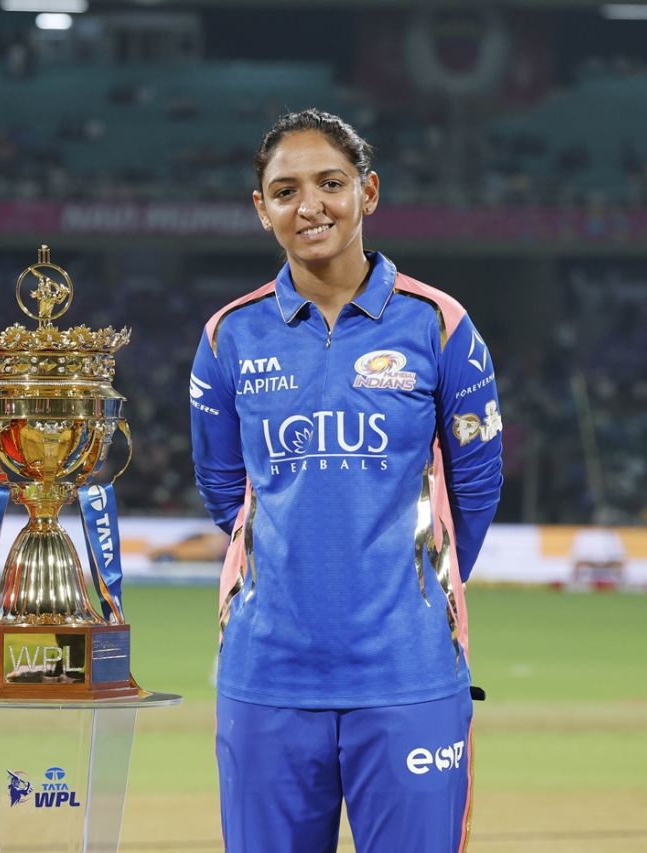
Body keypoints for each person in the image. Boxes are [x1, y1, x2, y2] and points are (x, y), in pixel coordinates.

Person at [189, 108, 502, 852]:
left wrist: (414, 606)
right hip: (267, 675)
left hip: (409, 676)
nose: (311, 205)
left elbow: (477, 493)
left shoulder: (440, 324)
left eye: (331, 183)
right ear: (261, 209)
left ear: (368, 192)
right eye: (286, 189)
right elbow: (223, 489)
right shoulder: (228, 335)